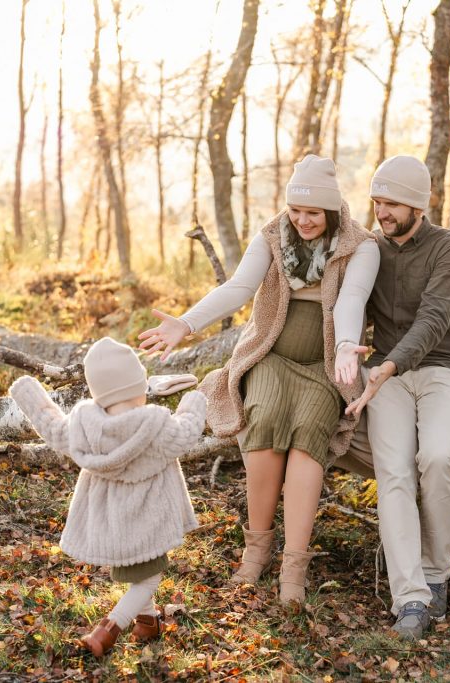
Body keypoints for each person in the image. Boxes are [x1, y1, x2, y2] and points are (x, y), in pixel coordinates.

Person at [139, 155, 379, 604]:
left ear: (331, 211)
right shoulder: (273, 235)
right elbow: (238, 288)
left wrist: (347, 344)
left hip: (326, 365)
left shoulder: (359, 244)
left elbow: (353, 298)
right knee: (264, 423)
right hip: (270, 356)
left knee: (310, 436)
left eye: (313, 213)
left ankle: (294, 568)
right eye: (296, 210)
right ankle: (255, 554)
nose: (303, 221)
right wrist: (186, 325)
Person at [8, 337, 207, 657]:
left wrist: (29, 394)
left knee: (143, 566)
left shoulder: (85, 424)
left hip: (111, 521)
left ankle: (148, 621)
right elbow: (186, 432)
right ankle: (110, 627)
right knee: (151, 574)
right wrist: (195, 400)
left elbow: (53, 429)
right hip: (149, 517)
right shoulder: (156, 424)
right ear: (140, 386)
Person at [345, 155, 450, 640]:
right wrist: (358, 367)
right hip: (385, 376)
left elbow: (435, 318)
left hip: (443, 368)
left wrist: (387, 367)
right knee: (393, 471)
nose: (382, 211)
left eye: (393, 202)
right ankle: (411, 598)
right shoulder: (368, 250)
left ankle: (437, 571)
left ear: (418, 206)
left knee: (438, 457)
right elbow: (350, 305)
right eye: (378, 200)